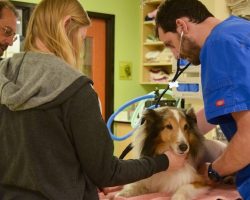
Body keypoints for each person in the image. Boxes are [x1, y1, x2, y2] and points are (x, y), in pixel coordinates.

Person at [0, 0, 187, 199]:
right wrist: (164, 162)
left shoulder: (4, 75)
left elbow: (44, 159)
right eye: (81, 38)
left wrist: (88, 179)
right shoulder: (75, 89)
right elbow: (108, 172)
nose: (79, 49)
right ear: (65, 25)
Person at [155, 0, 250, 199]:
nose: (175, 55)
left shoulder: (219, 45)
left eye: (170, 45)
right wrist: (180, 128)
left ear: (182, 26)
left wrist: (214, 171)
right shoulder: (239, 30)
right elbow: (228, 106)